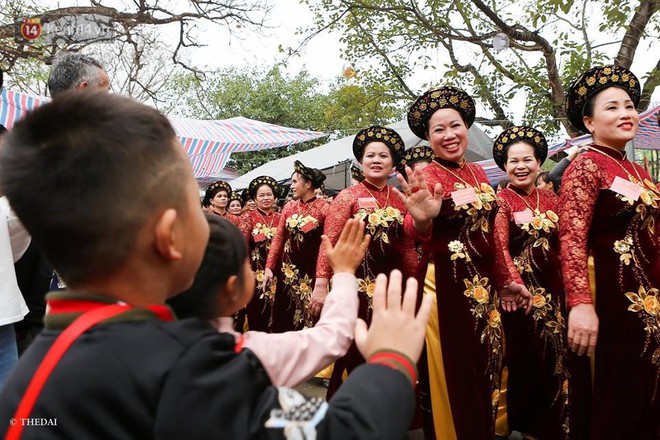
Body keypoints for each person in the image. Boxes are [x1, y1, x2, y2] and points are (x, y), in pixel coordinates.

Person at [0, 90, 434, 440]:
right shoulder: (199, 371)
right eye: (198, 207)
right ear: (170, 237)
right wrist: (391, 361)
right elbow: (340, 429)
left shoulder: (25, 381)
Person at [397, 86, 532, 440]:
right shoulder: (428, 177)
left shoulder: (478, 174)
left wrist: (506, 279)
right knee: (452, 371)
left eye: (454, 126)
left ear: (466, 128)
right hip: (444, 287)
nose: (449, 135)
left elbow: (492, 238)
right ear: (428, 137)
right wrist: (424, 218)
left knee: (483, 366)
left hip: (483, 289)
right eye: (438, 130)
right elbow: (416, 227)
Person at [559, 65, 660, 439]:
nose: (625, 114)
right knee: (618, 391)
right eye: (612, 107)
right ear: (589, 122)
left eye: (630, 106)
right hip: (609, 297)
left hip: (647, 295)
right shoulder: (585, 166)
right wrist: (581, 304)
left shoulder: (640, 172)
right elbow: (570, 238)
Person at [169, 214, 371, 387]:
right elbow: (332, 337)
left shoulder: (144, 345)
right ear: (233, 289)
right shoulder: (254, 356)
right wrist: (344, 273)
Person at [316, 126, 419, 398]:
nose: (376, 160)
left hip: (393, 287)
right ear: (360, 162)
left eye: (383, 156)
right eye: (370, 155)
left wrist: (416, 281)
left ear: (392, 162)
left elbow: (409, 244)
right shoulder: (347, 197)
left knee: (391, 348)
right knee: (356, 348)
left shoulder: (400, 199)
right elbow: (330, 241)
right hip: (357, 287)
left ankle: (387, 408)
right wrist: (321, 283)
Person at [492, 126, 575, 439]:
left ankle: (557, 423)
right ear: (504, 166)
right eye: (513, 161)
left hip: (554, 293)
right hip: (519, 298)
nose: (520, 166)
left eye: (527, 159)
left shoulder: (550, 199)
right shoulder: (500, 202)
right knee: (527, 361)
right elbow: (498, 248)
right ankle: (526, 426)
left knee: (557, 358)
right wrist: (512, 282)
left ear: (540, 163)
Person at [264, 161, 328, 332]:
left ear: (307, 184)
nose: (291, 186)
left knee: (309, 314)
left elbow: (328, 243)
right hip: (288, 271)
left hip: (312, 271)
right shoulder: (289, 207)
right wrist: (270, 267)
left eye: (294, 182)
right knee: (285, 312)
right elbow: (278, 238)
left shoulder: (325, 208)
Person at [237, 176, 282, 332]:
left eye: (269, 194)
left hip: (279, 273)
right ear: (255, 199)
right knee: (258, 312)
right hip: (255, 274)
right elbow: (241, 248)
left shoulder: (281, 218)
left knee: (279, 312)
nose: (266, 198)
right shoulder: (248, 218)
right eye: (261, 195)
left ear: (275, 197)